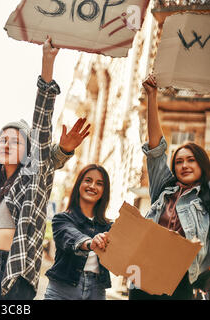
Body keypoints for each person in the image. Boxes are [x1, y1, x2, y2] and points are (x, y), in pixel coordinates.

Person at [0, 37, 91, 300]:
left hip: (16, 270)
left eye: (15, 140)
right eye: (2, 140)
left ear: (29, 149)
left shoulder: (32, 178)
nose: (6, 144)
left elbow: (42, 119)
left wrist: (47, 62)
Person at [128, 74, 210, 300]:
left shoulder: (208, 197)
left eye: (191, 159)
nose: (184, 165)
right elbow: (156, 151)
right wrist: (152, 96)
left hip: (180, 280)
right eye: (179, 161)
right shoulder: (164, 189)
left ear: (202, 164)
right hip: (143, 272)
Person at [43, 164, 112, 300]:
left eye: (99, 183)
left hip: (97, 291)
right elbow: (70, 235)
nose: (92, 186)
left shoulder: (109, 227)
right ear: (79, 184)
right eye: (88, 180)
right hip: (62, 289)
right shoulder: (61, 219)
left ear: (104, 191)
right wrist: (90, 243)